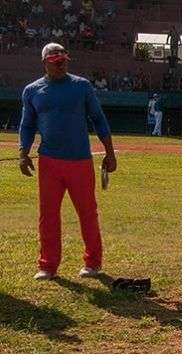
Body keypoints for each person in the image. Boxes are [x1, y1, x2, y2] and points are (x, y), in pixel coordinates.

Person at [18, 43, 117, 280]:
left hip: (80, 161)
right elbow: (27, 124)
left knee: (87, 212)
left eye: (63, 60)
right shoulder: (32, 91)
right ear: (45, 63)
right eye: (55, 62)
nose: (61, 65)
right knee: (48, 214)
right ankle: (47, 265)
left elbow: (98, 119)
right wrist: (23, 153)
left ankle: (93, 262)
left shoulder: (81, 86)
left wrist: (110, 153)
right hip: (49, 161)